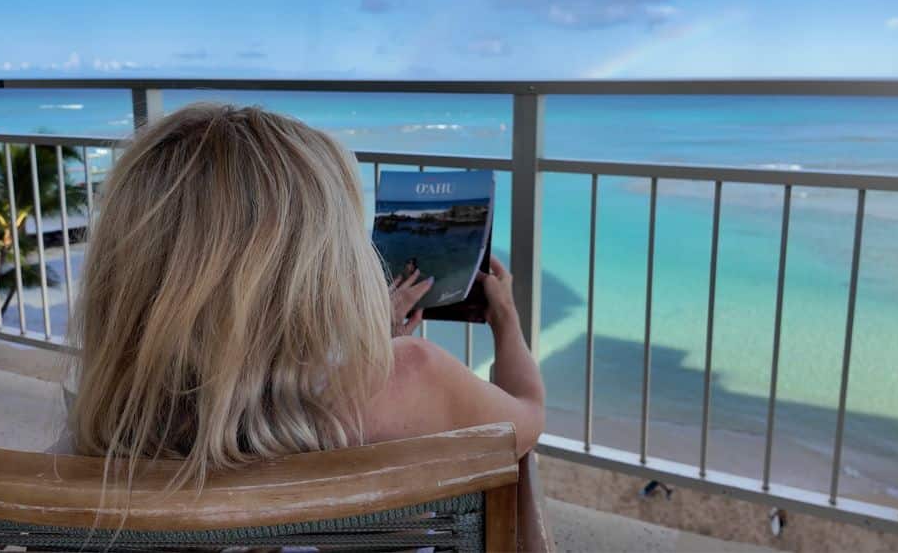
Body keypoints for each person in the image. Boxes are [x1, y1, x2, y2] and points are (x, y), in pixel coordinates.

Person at [67, 103, 544, 490]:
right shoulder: (410, 380)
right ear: (316, 262)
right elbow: (527, 414)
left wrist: (366, 344)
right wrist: (505, 317)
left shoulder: (112, 428)